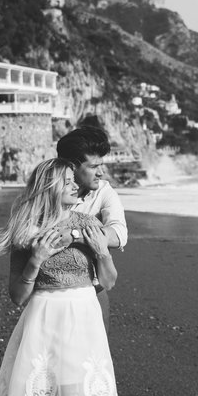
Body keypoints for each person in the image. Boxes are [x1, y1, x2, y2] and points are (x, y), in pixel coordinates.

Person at [0, 158, 118, 396]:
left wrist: (101, 251)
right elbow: (18, 296)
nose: (75, 186)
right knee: (41, 395)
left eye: (74, 181)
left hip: (83, 317)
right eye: (67, 182)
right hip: (43, 319)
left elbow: (109, 282)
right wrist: (36, 260)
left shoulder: (87, 223)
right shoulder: (26, 229)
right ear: (50, 186)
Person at [56, 127, 127, 328]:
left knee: (96, 354)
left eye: (101, 165)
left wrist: (75, 235)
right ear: (71, 167)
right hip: (48, 289)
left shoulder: (103, 191)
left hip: (92, 285)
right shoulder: (44, 194)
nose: (101, 172)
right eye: (94, 166)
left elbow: (119, 233)